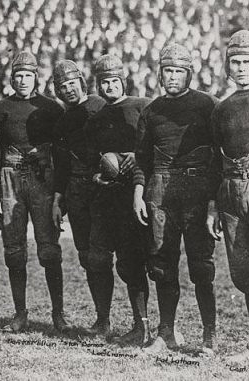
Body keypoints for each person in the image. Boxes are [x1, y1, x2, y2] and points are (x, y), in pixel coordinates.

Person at [133, 44, 219, 354]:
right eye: (167, 71)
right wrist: (139, 192)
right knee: (162, 262)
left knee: (201, 266)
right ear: (159, 73)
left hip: (196, 188)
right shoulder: (151, 110)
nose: (172, 77)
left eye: (178, 71)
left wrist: (213, 201)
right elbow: (141, 158)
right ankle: (165, 332)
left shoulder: (208, 105)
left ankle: (209, 335)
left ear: (189, 74)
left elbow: (219, 157)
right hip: (161, 189)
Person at [0, 51, 65, 332]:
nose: (22, 80)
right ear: (11, 77)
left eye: (27, 75)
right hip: (10, 177)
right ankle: (20, 313)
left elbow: (61, 149)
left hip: (42, 177)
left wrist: (57, 186)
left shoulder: (52, 108)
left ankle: (58, 314)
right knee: (15, 249)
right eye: (18, 75)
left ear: (35, 77)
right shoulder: (0, 109)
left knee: (48, 249)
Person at [207, 29, 249, 362]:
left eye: (247, 61)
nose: (241, 67)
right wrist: (214, 207)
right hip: (231, 192)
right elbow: (216, 159)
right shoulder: (222, 108)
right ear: (227, 66)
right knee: (245, 273)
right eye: (235, 62)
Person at [84, 54, 151, 345]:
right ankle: (103, 322)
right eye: (104, 82)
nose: (109, 86)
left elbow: (153, 147)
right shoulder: (96, 117)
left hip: (133, 194)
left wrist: (137, 156)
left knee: (130, 262)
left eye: (114, 81)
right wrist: (96, 176)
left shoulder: (141, 106)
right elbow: (90, 160)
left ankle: (142, 324)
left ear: (123, 81)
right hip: (106, 195)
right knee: (97, 258)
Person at [51, 60, 106, 333]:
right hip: (77, 189)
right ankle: (103, 318)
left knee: (119, 255)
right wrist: (58, 199)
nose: (68, 89)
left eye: (72, 83)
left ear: (81, 83)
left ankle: (140, 321)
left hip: (105, 187)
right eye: (62, 86)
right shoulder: (61, 122)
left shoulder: (99, 105)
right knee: (87, 256)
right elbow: (61, 165)